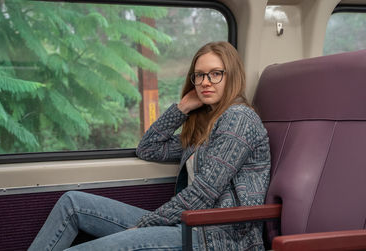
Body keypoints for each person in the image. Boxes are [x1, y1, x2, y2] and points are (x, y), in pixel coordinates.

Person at [28, 41, 271, 251]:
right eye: (199, 75)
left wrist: (146, 224)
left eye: (215, 74)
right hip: (187, 223)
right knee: (72, 203)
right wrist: (182, 108)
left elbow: (204, 192)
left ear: (233, 76)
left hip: (219, 237)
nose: (205, 82)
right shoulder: (205, 125)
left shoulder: (239, 118)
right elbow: (148, 148)